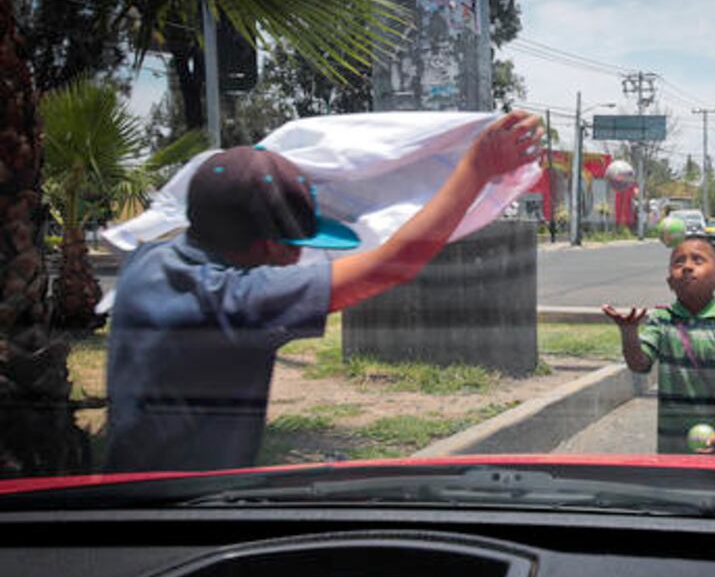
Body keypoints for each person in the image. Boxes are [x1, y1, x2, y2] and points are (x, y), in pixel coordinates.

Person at [103, 111, 543, 472]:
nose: (301, 256)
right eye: (295, 245)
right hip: (187, 511)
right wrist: (476, 167)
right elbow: (391, 266)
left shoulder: (149, 263)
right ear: (267, 246)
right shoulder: (231, 301)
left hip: (128, 490)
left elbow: (232, 189)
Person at [602, 235, 715, 455]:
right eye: (678, 262)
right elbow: (638, 365)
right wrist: (628, 333)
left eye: (698, 260)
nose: (687, 267)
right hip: (674, 450)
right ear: (669, 282)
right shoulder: (661, 321)